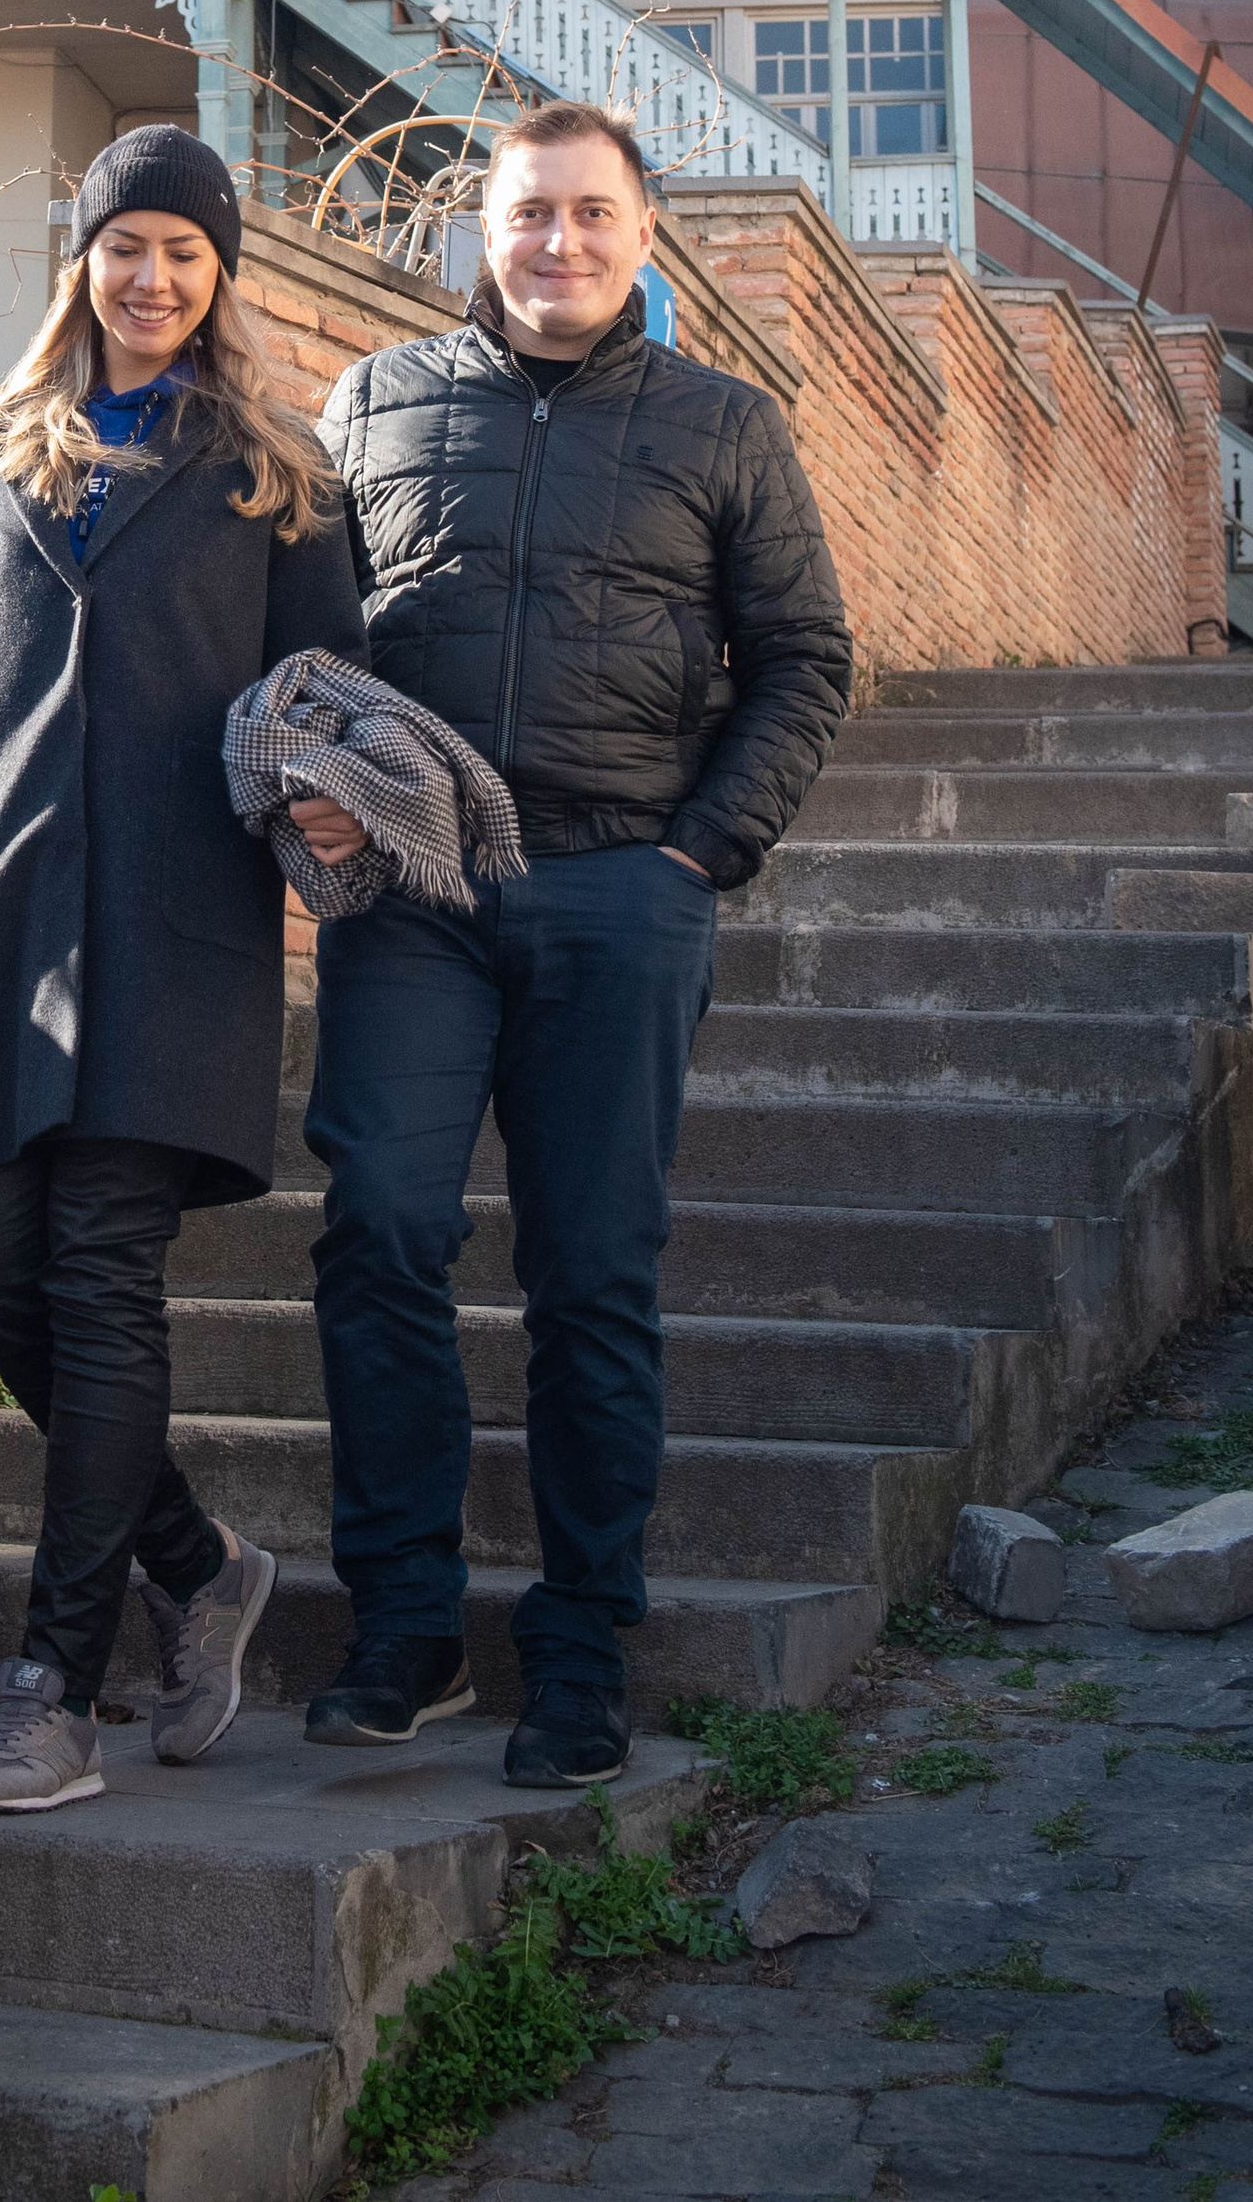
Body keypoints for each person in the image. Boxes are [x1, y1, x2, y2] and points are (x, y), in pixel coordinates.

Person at [300, 101, 852, 1785]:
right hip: (418, 900)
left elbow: (806, 660)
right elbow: (304, 649)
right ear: (484, 226)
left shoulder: (725, 426)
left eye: (593, 215)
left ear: (643, 233)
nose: (561, 243)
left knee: (592, 1272)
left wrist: (699, 855)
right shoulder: (375, 402)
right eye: (531, 213)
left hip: (625, 887)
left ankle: (580, 1640)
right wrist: (312, 789)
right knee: (382, 1228)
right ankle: (404, 1620)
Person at [0, 124, 367, 1816]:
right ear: (83, 263)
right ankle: (199, 1567)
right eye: (125, 245)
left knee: (102, 1282)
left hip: (175, 936)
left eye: (185, 252)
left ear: (220, 281)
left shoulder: (277, 479)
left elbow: (327, 703)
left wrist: (334, 806)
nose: (153, 277)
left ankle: (49, 1689)